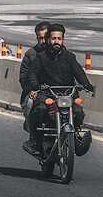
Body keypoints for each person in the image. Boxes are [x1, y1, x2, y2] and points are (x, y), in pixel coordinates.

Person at [22, 23, 95, 156]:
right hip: (47, 94)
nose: (56, 41)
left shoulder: (69, 57)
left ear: (63, 40)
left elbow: (79, 72)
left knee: (78, 111)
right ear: (49, 39)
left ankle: (75, 138)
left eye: (59, 39)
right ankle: (35, 142)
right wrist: (35, 86)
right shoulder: (41, 57)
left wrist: (87, 85)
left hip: (67, 94)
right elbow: (32, 74)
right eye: (54, 38)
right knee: (39, 110)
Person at [19, 21, 52, 153]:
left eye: (45, 37)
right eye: (40, 38)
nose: (42, 41)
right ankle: (34, 139)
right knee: (31, 104)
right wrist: (31, 90)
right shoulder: (31, 54)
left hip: (55, 93)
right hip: (36, 92)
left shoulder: (59, 52)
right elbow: (23, 78)